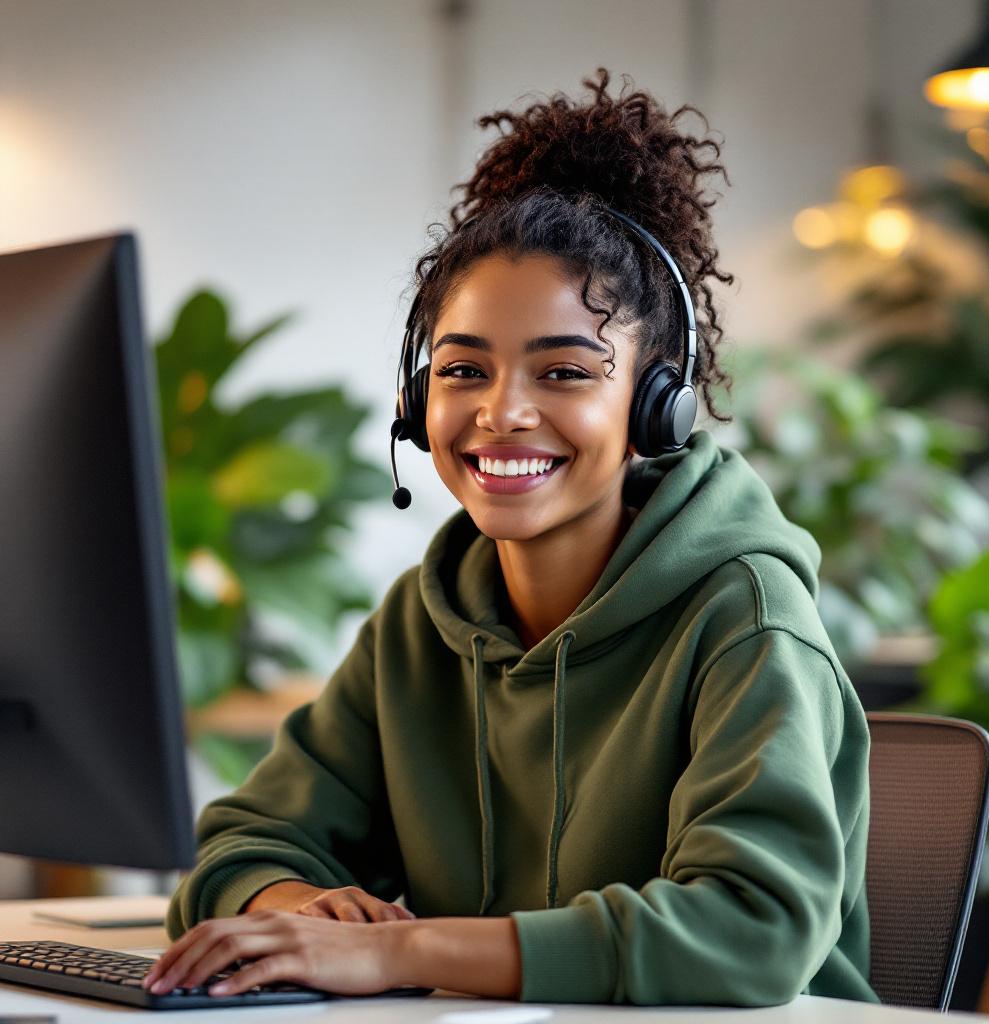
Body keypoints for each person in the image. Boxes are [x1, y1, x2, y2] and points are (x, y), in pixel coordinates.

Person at [144, 68, 880, 1007]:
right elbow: (244, 842)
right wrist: (300, 909)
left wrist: (400, 955)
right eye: (463, 369)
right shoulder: (428, 619)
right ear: (418, 403)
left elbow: (752, 928)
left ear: (659, 404)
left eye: (566, 371)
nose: (502, 413)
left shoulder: (744, 620)